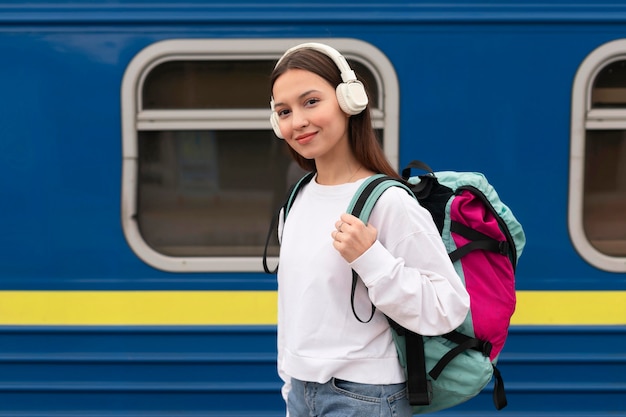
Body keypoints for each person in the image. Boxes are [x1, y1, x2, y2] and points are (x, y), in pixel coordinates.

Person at [269, 42, 470, 417]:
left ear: (349, 100)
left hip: (365, 399)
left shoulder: (388, 201)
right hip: (301, 394)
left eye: (311, 102)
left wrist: (372, 260)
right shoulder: (296, 201)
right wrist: (290, 386)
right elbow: (295, 310)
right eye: (284, 111)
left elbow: (448, 307)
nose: (297, 121)